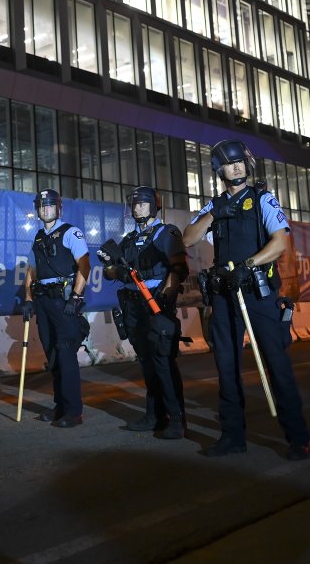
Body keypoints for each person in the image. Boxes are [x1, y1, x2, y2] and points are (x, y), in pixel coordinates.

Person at [183, 140, 310, 459]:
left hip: (257, 292)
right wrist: (216, 214)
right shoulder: (214, 206)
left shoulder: (262, 199)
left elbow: (280, 243)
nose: (237, 166)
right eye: (230, 163)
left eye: (241, 161)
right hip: (225, 295)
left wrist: (248, 265)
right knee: (226, 367)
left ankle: (298, 438)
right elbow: (188, 238)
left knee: (277, 363)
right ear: (219, 170)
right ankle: (232, 436)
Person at [98, 186, 188, 439]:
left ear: (154, 205)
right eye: (134, 203)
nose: (137, 207)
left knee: (163, 362)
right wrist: (112, 267)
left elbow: (179, 268)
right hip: (133, 305)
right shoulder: (127, 240)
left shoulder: (166, 233)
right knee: (147, 363)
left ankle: (177, 419)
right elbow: (111, 274)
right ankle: (154, 415)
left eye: (142, 203)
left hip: (157, 304)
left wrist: (165, 300)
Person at [22, 189, 91, 428]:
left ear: (58, 208)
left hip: (64, 302)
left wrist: (75, 297)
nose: (45, 209)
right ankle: (60, 405)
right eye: (41, 206)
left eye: (49, 205)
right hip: (43, 302)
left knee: (65, 354)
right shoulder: (39, 237)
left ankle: (74, 412)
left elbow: (85, 265)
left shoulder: (71, 232)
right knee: (53, 356)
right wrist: (28, 298)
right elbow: (31, 271)